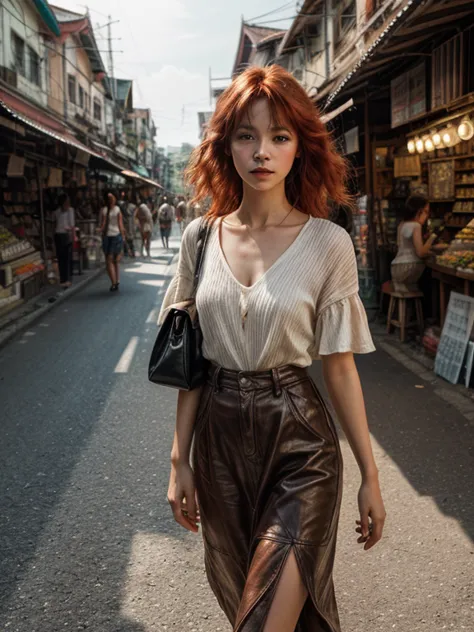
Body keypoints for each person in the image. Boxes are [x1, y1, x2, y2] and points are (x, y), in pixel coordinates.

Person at [159, 66, 386, 632]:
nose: (262, 151)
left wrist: (370, 474)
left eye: (279, 137)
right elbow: (191, 365)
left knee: (262, 620)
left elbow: (339, 369)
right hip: (220, 441)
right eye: (246, 135)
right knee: (245, 595)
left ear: (299, 147)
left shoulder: (328, 242)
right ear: (225, 145)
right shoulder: (199, 237)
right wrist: (178, 460)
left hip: (301, 442)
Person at [391, 194, 436, 293]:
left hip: (396, 268)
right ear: (419, 211)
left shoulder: (401, 225)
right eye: (426, 212)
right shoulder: (416, 226)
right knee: (429, 282)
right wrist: (432, 238)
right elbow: (420, 253)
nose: (427, 216)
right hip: (409, 269)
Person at [98, 192, 125, 292]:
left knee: (113, 260)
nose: (111, 199)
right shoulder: (105, 210)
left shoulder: (117, 209)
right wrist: (100, 230)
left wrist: (123, 236)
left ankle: (115, 282)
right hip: (107, 236)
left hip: (115, 235)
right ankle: (114, 281)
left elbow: (120, 223)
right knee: (109, 260)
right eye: (109, 198)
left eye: (112, 197)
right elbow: (103, 223)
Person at [54, 193, 75, 288]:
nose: (67, 204)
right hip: (59, 235)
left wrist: (73, 236)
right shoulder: (57, 212)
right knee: (61, 258)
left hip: (66, 235)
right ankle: (63, 279)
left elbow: (72, 225)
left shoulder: (70, 211)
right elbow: (54, 224)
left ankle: (67, 278)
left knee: (67, 258)